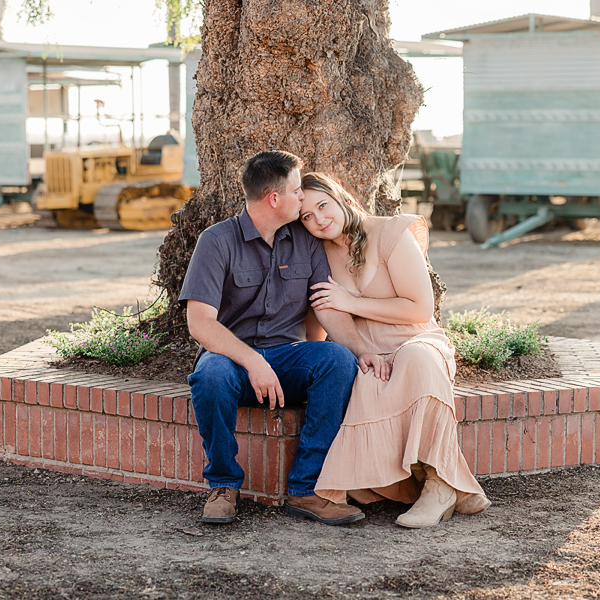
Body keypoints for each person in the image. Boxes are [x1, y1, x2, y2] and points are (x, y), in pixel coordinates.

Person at [179, 151, 390, 526]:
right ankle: (223, 485)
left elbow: (325, 306)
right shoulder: (217, 241)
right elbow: (201, 324)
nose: (302, 197)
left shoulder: (306, 241)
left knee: (337, 361)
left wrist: (361, 349)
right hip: (232, 361)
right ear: (274, 199)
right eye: (296, 191)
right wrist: (253, 361)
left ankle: (306, 490)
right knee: (210, 375)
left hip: (288, 360)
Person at [298, 172, 490, 529]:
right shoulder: (316, 253)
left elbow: (420, 308)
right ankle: (441, 486)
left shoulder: (390, 232)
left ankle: (439, 486)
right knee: (364, 381)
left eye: (323, 206)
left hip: (415, 340)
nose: (319, 219)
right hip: (369, 351)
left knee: (417, 361)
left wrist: (352, 302)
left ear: (340, 197)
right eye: (307, 216)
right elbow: (320, 318)